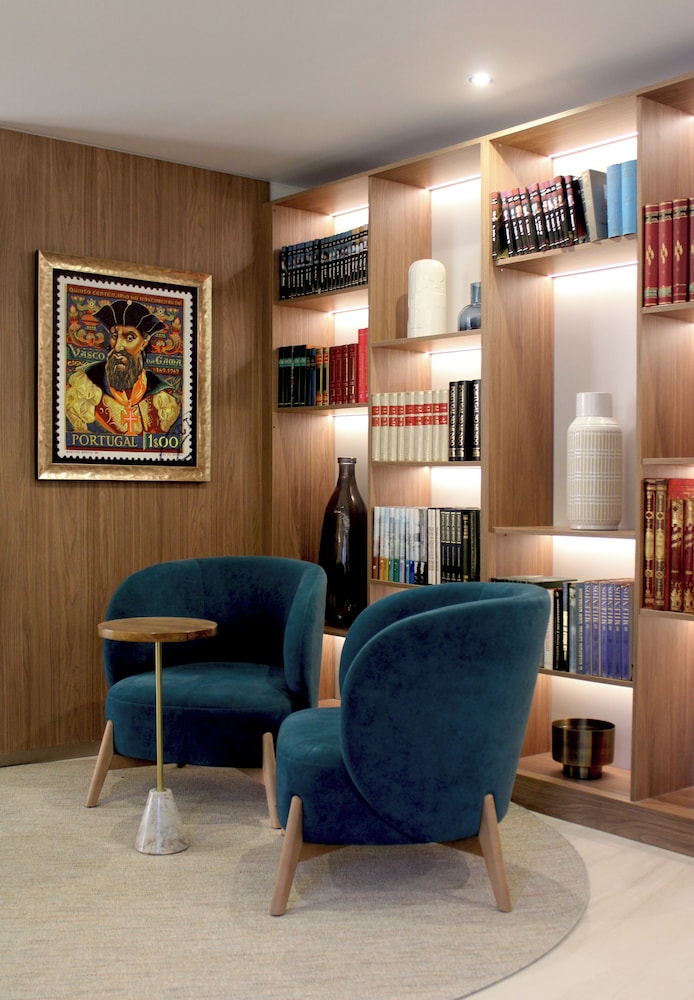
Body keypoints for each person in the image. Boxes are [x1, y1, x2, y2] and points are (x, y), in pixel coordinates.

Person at [65, 298, 181, 437]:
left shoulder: (159, 396)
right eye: (115, 336)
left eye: (130, 338)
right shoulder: (85, 385)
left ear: (143, 343)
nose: (118, 347)